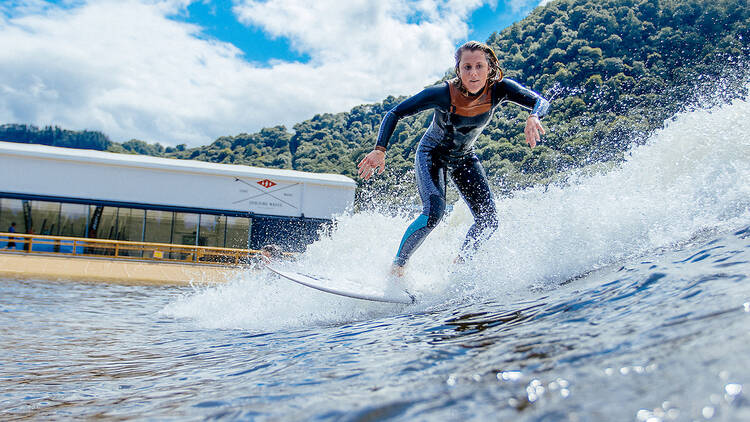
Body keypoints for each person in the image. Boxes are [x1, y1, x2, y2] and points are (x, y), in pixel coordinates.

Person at [357, 41, 549, 277]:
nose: (473, 73)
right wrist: (380, 149)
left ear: (489, 68)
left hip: (464, 157)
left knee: (488, 220)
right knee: (433, 214)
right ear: (458, 70)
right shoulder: (442, 94)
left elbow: (541, 101)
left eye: (479, 66)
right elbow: (395, 112)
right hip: (432, 155)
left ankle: (460, 266)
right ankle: (397, 267)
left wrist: (533, 116)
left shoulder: (500, 89)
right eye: (467, 67)